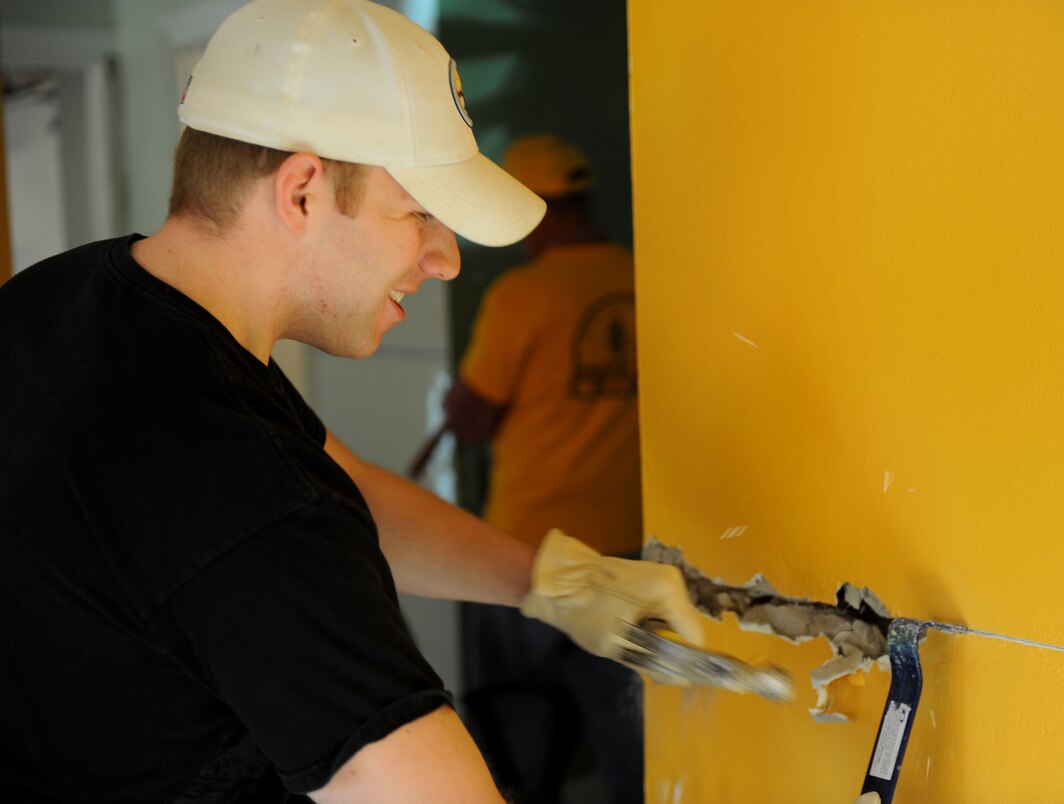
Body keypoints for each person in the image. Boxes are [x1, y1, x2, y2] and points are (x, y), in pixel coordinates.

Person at [0, 2, 704, 802]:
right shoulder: (239, 490)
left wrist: (551, 579)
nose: (445, 261)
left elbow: (346, 485)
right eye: (420, 215)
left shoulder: (68, 299)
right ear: (301, 191)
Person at [441, 135, 645, 803]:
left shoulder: (522, 295)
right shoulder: (641, 275)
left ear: (536, 209)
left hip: (527, 553)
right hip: (627, 546)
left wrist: (460, 401)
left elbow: (472, 417)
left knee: (518, 748)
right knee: (630, 747)